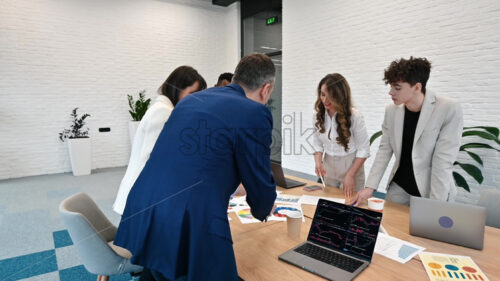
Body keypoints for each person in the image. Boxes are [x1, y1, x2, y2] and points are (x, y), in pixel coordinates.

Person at [114, 53, 277, 281]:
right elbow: (258, 174)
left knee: (157, 273)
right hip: (188, 218)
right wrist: (263, 207)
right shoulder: (255, 112)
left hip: (145, 205)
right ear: (266, 89)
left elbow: (194, 159)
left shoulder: (192, 100)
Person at [355, 57, 463, 206]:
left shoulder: (447, 108)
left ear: (417, 87)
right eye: (391, 87)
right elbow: (384, 150)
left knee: (425, 229)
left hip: (430, 189)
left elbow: (443, 161)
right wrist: (370, 187)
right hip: (399, 186)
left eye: (397, 88)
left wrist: (437, 204)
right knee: (389, 226)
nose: (390, 92)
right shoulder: (391, 111)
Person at [113, 66, 207, 215]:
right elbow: (152, 159)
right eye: (192, 93)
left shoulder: (165, 109)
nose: (196, 99)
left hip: (146, 194)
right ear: (177, 89)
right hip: (142, 198)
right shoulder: (163, 111)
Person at [312, 73, 370, 201]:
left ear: (340, 96)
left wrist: (350, 174)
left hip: (351, 165)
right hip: (328, 165)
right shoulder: (318, 115)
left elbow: (364, 150)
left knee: (351, 206)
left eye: (330, 96)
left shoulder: (355, 116)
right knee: (328, 205)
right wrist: (318, 162)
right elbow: (317, 143)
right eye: (322, 94)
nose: (325, 100)